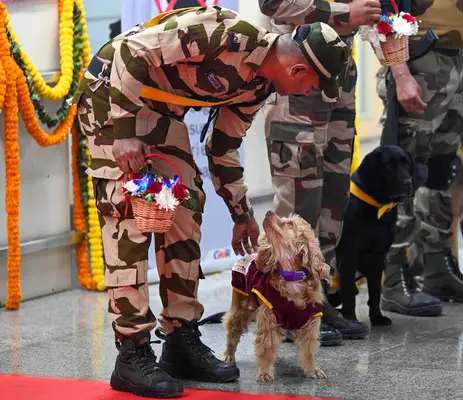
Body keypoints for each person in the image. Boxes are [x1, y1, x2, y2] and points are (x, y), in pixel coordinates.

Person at [73, 5, 350, 398]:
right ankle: (131, 350)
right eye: (311, 87)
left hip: (162, 111)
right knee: (130, 215)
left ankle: (180, 338)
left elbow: (222, 148)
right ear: (298, 70)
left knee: (184, 207)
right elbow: (131, 52)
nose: (308, 94)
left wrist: (242, 215)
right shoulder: (222, 33)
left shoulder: (258, 87)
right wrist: (123, 130)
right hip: (114, 96)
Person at [259, 0, 381, 346]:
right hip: (298, 66)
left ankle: (314, 298)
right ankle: (286, 305)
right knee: (300, 198)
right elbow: (273, 5)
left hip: (339, 68)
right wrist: (343, 14)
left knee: (333, 196)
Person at [377, 0, 463, 314]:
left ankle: (436, 268)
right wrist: (401, 74)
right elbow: (385, 10)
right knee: (404, 171)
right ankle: (393, 278)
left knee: (443, 170)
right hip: (419, 59)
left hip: (455, 60)